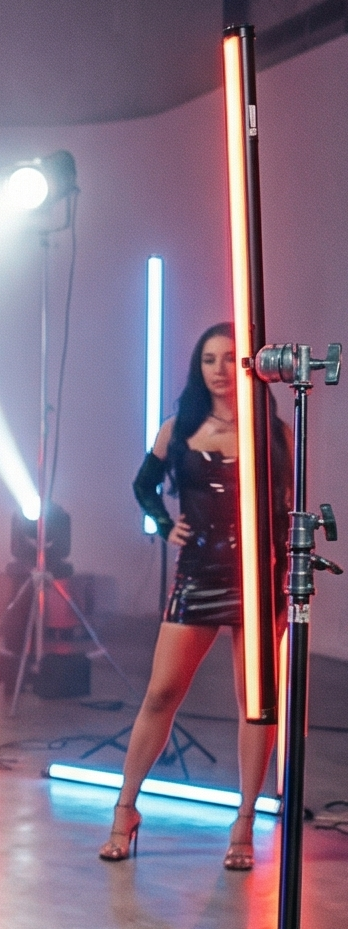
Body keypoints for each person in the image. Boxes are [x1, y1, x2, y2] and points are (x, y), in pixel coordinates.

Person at [105, 322, 289, 871]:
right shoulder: (178, 426)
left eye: (229, 358)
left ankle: (244, 822)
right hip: (198, 572)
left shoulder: (269, 429)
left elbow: (285, 502)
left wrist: (282, 573)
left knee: (255, 703)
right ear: (198, 366)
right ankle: (124, 810)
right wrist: (165, 524)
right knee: (161, 693)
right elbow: (143, 484)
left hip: (257, 576)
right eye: (209, 358)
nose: (218, 368)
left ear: (245, 366)